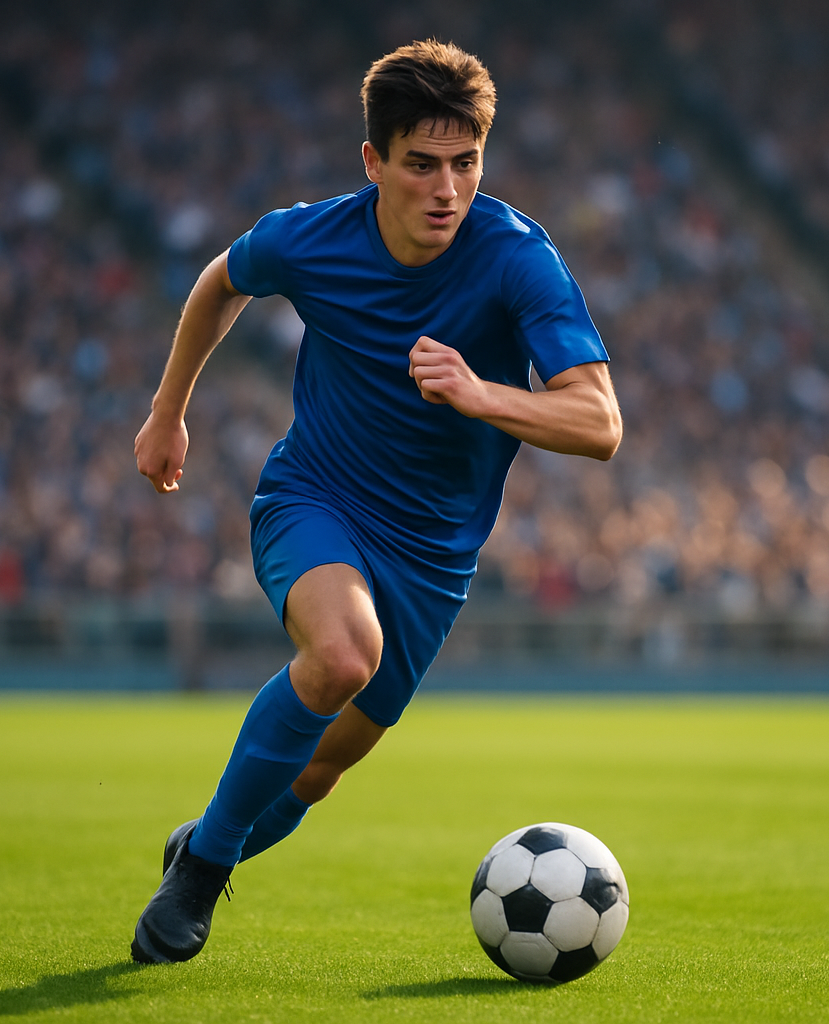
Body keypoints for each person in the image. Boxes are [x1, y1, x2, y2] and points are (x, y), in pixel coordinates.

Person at [130, 39, 622, 964]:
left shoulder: (518, 258)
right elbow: (220, 282)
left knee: (317, 773)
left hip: (434, 559)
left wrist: (483, 394)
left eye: (466, 163)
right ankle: (201, 876)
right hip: (315, 498)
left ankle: (206, 840)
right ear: (374, 162)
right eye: (422, 164)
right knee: (344, 655)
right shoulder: (309, 237)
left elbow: (599, 421)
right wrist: (168, 416)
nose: (447, 188)